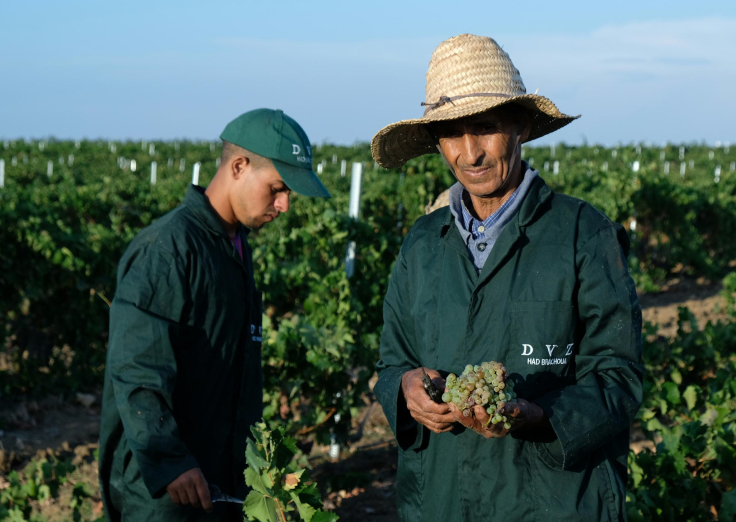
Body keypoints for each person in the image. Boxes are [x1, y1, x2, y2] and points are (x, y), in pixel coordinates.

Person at [371, 34, 644, 521]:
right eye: (451, 134)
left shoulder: (584, 235)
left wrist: (539, 415)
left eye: (485, 128)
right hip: (441, 502)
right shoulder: (422, 243)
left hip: (553, 505)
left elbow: (618, 377)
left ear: (520, 126)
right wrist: (405, 388)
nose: (469, 153)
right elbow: (392, 362)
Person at [98, 108, 331, 522]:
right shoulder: (167, 250)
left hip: (215, 479)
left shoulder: (235, 245)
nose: (284, 204)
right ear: (238, 167)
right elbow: (136, 368)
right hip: (166, 491)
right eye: (277, 188)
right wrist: (171, 462)